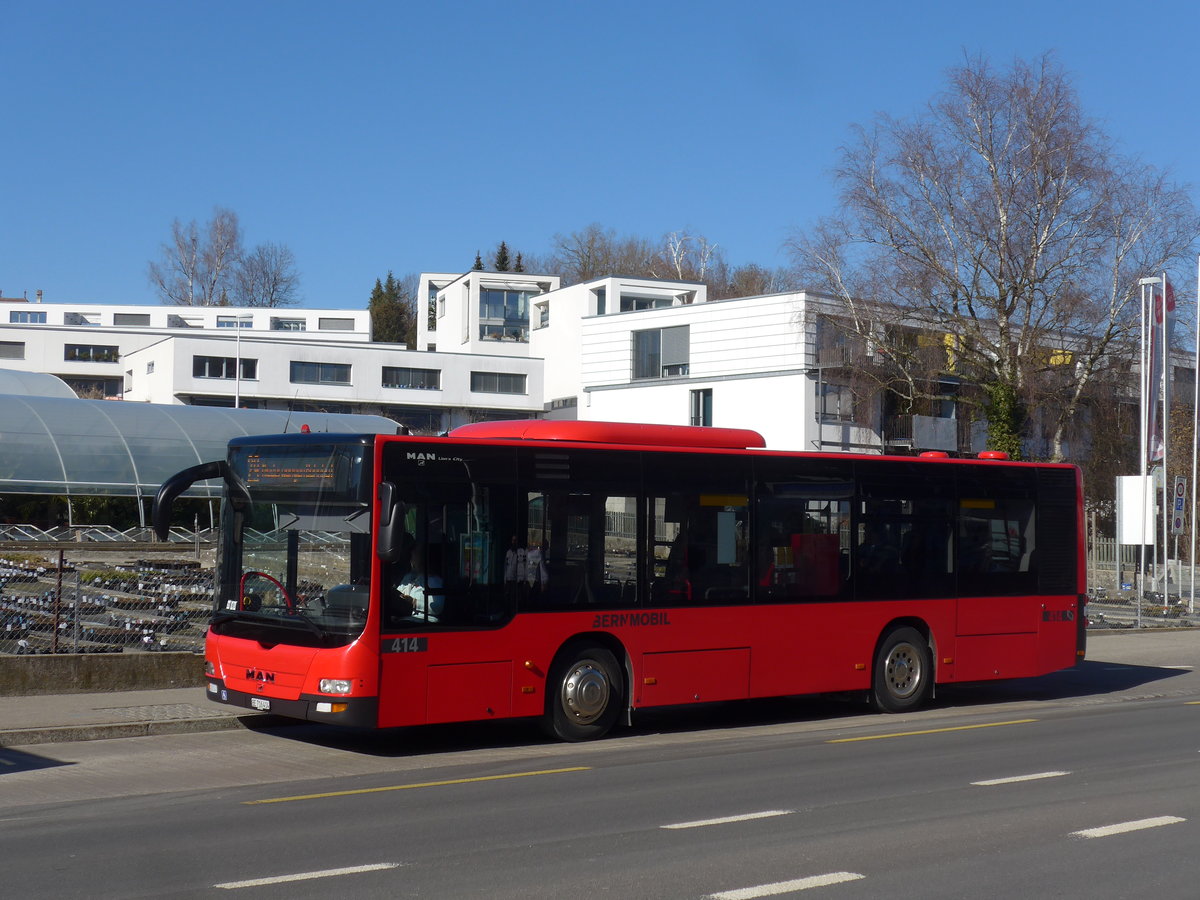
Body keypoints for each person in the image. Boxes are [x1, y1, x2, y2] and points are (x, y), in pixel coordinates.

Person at [396, 544, 444, 623]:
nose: (412, 559)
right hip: (404, 618)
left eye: (415, 555)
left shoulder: (434, 580)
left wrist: (413, 602)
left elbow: (437, 606)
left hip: (424, 621)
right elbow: (398, 595)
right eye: (411, 555)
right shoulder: (408, 577)